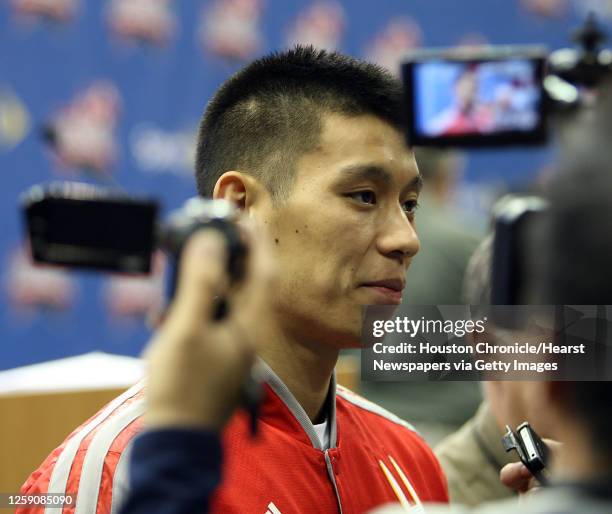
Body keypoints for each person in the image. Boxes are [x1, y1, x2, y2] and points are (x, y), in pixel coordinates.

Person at [20, 46, 448, 513]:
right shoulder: (114, 471)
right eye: (364, 196)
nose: (406, 240)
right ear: (238, 207)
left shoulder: (412, 458)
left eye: (410, 205)